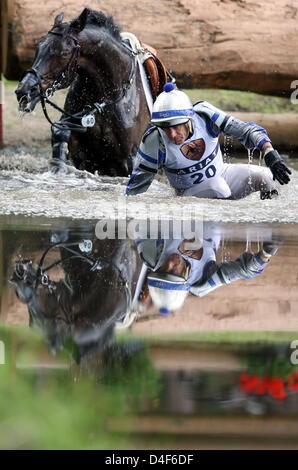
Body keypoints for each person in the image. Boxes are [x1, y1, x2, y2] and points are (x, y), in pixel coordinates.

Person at [126, 83, 291, 199]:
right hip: (188, 194)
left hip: (224, 174)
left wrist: (269, 151)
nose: (171, 133)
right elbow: (135, 190)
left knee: (268, 177)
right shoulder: (153, 141)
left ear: (189, 118)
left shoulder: (205, 116)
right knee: (217, 186)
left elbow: (247, 130)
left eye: (176, 126)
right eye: (164, 128)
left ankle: (266, 247)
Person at [136, 228, 280, 315]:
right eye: (173, 272)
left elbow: (136, 219)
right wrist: (267, 253)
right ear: (185, 279)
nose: (170, 263)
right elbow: (245, 270)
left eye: (162, 270)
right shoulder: (202, 283)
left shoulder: (149, 255)